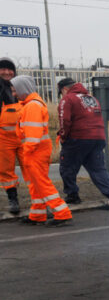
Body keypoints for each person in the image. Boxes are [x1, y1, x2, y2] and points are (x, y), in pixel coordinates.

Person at [9, 75, 73, 226]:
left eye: (15, 90)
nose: (14, 94)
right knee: (36, 184)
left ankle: (62, 213)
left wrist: (27, 151)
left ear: (22, 89)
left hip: (34, 152)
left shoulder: (32, 106)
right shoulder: (31, 104)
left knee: (41, 184)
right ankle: (37, 215)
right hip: (36, 151)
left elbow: (33, 135)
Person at [56, 77, 109, 204]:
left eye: (61, 92)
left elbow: (65, 120)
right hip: (98, 138)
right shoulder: (92, 98)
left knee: (67, 167)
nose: (61, 95)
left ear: (64, 89)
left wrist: (63, 136)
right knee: (98, 169)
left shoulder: (67, 99)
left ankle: (72, 195)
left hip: (78, 138)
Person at [0, 57, 21, 214]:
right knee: (6, 171)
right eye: (3, 69)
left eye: (10, 69)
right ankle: (13, 200)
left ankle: (39, 200)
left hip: (24, 136)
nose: (7, 72)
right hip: (3, 138)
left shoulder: (20, 87)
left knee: (31, 168)